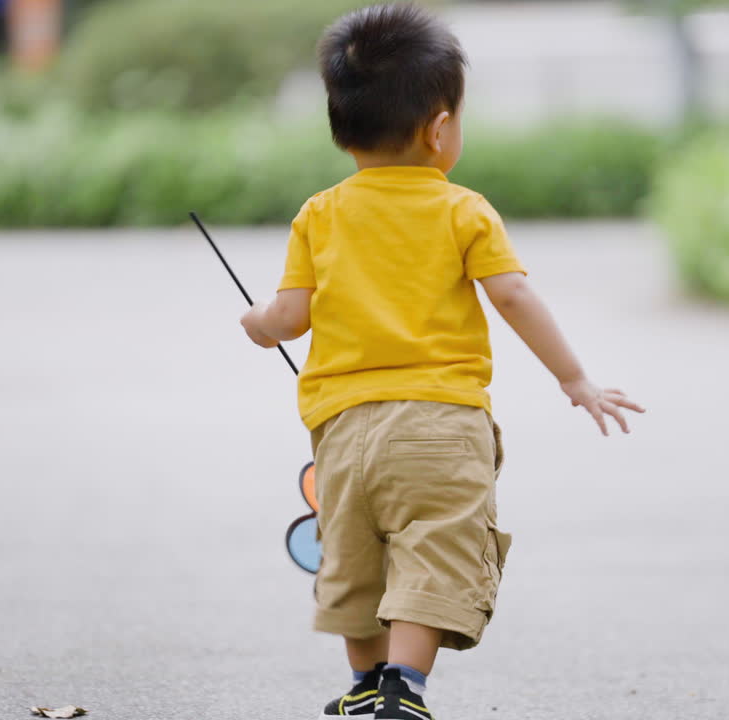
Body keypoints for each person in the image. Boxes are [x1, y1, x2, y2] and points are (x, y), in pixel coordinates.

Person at [239, 4, 645, 718]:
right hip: (442, 426)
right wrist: (573, 378)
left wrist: (255, 323)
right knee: (431, 553)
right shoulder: (464, 211)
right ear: (438, 128)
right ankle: (403, 689)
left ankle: (365, 687)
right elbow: (514, 297)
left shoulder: (319, 214)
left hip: (341, 431)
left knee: (355, 561)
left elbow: (287, 319)